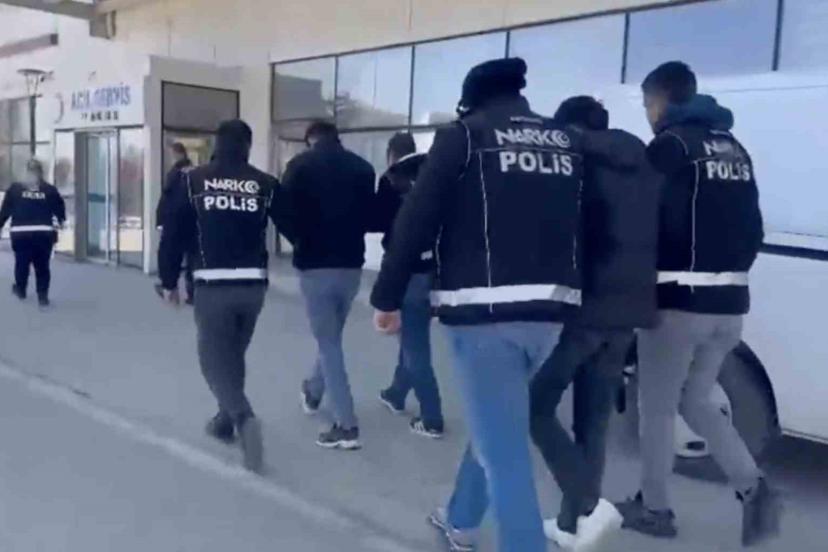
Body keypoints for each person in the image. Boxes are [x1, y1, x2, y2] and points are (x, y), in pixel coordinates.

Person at [371, 57, 585, 552]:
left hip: (483, 312)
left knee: (505, 454)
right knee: (499, 425)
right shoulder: (565, 141)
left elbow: (417, 218)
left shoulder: (465, 137)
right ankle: (461, 519)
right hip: (551, 312)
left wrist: (387, 296)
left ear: (471, 101)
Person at [615, 61, 780, 547]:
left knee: (657, 408)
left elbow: (640, 221)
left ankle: (655, 509)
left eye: (647, 104)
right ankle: (755, 489)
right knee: (697, 399)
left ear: (662, 100)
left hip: (678, 304)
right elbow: (754, 228)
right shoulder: (734, 148)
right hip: (730, 306)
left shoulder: (671, 147)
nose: (647, 114)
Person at [528, 96, 660, 550]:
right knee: (594, 422)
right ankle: (572, 527)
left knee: (534, 406)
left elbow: (559, 231)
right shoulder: (645, 165)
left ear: (569, 127)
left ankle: (588, 503)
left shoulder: (577, 163)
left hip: (586, 308)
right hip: (630, 309)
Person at [158, 120, 282, 474]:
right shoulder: (264, 183)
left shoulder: (192, 180)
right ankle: (224, 421)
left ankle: (243, 418)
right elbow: (295, 224)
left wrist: (168, 281)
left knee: (212, 361)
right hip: (253, 287)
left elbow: (173, 234)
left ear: (217, 144)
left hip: (213, 285)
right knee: (233, 356)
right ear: (248, 146)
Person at [279, 120, 376, 450]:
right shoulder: (362, 168)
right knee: (330, 338)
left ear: (310, 139)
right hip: (351, 266)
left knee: (329, 343)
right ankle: (313, 391)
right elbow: (370, 216)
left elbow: (283, 212)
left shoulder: (299, 166)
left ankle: (346, 425)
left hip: (315, 265)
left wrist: (299, 240)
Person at [374, 132, 445, 438]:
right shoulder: (433, 177)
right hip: (432, 271)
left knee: (415, 346)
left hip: (405, 272)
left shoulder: (392, 180)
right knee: (412, 336)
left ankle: (432, 416)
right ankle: (396, 393)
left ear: (391, 154)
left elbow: (380, 221)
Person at [0, 159, 65, 308]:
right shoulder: (49, 190)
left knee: (22, 263)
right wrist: (60, 222)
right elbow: (59, 209)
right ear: (41, 173)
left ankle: (21, 289)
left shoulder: (15, 189)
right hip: (44, 233)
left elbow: (5, 210)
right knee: (42, 265)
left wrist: (0, 224)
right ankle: (42, 295)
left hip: (21, 233)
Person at [156, 142, 195, 304]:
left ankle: (170, 289)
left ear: (178, 154)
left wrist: (161, 220)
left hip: (175, 221)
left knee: (169, 256)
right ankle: (192, 292)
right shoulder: (194, 172)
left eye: (172, 154)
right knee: (192, 258)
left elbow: (167, 198)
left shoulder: (176, 173)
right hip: (192, 221)